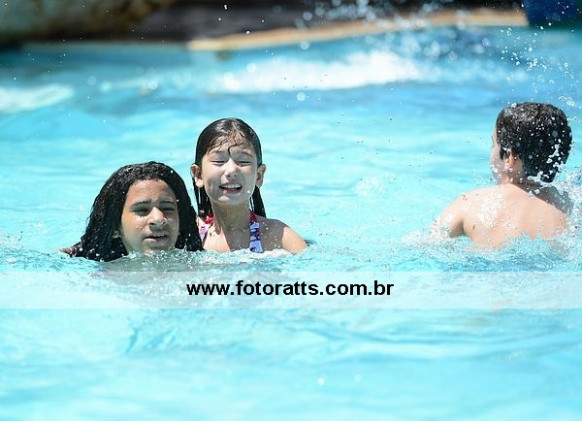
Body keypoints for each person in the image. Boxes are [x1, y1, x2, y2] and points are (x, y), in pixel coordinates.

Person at [433, 102, 573, 248]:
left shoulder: (470, 203)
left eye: (493, 145)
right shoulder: (573, 207)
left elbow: (430, 243)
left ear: (510, 157)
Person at [191, 117, 307, 253]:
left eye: (243, 161)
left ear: (259, 175)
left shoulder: (279, 236)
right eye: (219, 161)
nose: (231, 170)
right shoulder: (188, 233)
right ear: (198, 174)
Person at [62, 161, 203, 261]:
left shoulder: (201, 267)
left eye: (167, 208)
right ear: (115, 227)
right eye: (142, 210)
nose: (158, 219)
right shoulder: (89, 271)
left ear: (181, 222)